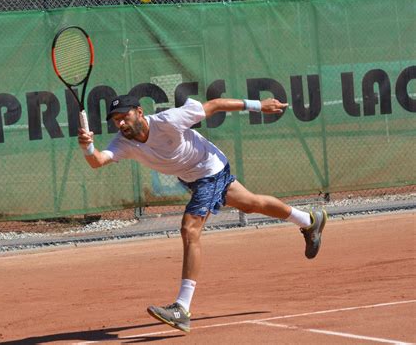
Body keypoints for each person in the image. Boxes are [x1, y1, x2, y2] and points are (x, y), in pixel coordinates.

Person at [77, 94, 327, 333]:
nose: (120, 122)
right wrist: (88, 147)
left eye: (124, 116)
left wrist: (258, 106)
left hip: (209, 168)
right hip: (193, 178)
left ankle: (182, 308)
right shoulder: (123, 143)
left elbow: (216, 105)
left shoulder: (169, 121)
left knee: (190, 228)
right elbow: (98, 161)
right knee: (251, 204)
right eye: (115, 119)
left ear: (139, 112)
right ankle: (309, 220)